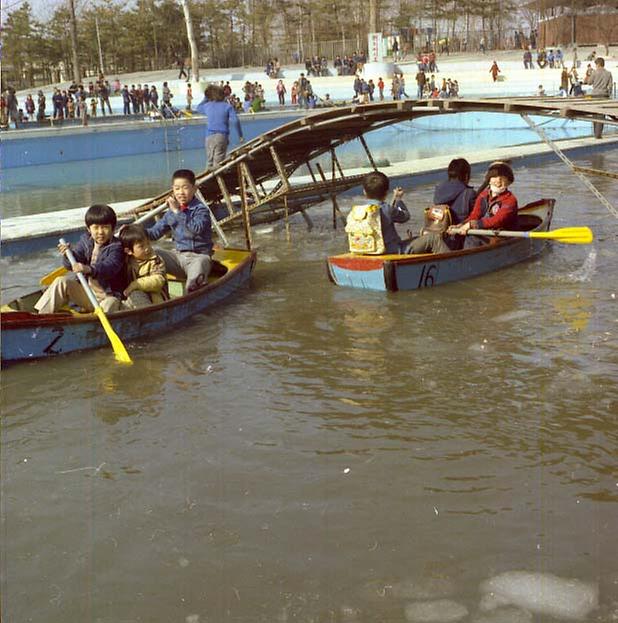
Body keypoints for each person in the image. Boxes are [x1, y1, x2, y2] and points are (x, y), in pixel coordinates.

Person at [34, 204, 125, 314]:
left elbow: (109, 267)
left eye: (105, 227)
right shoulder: (85, 242)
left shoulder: (117, 247)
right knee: (61, 281)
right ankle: (41, 317)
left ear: (113, 228)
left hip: (108, 296)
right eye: (96, 227)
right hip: (87, 294)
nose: (100, 232)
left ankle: (94, 328)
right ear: (88, 229)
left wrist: (89, 269)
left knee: (109, 305)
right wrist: (68, 255)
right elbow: (71, 265)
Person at [145, 169, 213, 292]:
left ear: (194, 188)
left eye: (185, 188)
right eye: (177, 188)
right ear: (173, 190)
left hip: (198, 257)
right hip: (179, 257)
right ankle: (156, 287)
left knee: (201, 264)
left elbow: (196, 229)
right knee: (152, 252)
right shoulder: (171, 213)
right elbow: (154, 233)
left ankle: (193, 288)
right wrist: (135, 231)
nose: (180, 192)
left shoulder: (201, 210)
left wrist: (177, 212)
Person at [407, 158, 477, 254]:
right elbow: (476, 217)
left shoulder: (439, 191)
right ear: (466, 176)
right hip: (458, 243)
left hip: (440, 237)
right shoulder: (469, 193)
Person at [448, 162, 518, 249]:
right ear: (489, 180)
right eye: (495, 177)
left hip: (502, 236)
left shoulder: (510, 200)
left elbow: (497, 220)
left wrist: (472, 225)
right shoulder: (483, 195)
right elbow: (475, 215)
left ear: (508, 181)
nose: (498, 180)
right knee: (464, 237)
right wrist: (461, 225)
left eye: (503, 177)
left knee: (472, 237)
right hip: (486, 233)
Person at [119, 224, 169, 309]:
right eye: (141, 246)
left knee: (136, 294)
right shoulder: (126, 260)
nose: (147, 249)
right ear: (128, 251)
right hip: (132, 298)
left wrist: (136, 285)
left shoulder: (155, 260)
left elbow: (159, 280)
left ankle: (149, 317)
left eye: (148, 243)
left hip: (156, 300)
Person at [359, 171, 410, 254]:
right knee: (431, 239)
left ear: (364, 191)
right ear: (386, 193)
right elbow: (405, 216)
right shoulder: (386, 209)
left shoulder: (358, 210)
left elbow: (387, 212)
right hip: (390, 250)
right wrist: (399, 200)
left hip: (366, 250)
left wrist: (394, 198)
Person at [196, 84, 244, 170]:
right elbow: (236, 121)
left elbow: (198, 108)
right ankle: (216, 182)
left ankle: (207, 181)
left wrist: (206, 97)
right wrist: (240, 135)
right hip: (221, 136)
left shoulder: (207, 106)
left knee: (209, 161)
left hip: (209, 137)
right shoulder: (227, 106)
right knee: (218, 163)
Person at [585, 57, 613, 138]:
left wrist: (589, 75)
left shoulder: (594, 72)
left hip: (594, 95)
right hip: (604, 95)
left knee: (594, 114)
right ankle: (598, 134)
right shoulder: (608, 73)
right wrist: (608, 94)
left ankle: (595, 134)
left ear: (598, 64)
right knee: (601, 115)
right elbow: (610, 86)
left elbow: (589, 82)